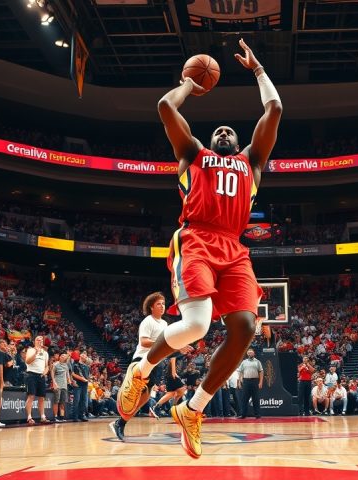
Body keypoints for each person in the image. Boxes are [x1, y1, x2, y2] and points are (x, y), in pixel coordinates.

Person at [115, 38, 282, 459]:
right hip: (196, 240)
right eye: (218, 130)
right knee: (197, 327)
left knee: (245, 328)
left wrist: (259, 71)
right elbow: (164, 107)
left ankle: (193, 410)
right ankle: (142, 370)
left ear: (239, 143)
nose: (223, 132)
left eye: (230, 131)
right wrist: (189, 84)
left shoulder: (251, 164)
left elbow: (275, 109)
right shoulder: (194, 154)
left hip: (234, 249)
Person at [111, 292, 192, 440]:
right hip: (142, 360)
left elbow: (166, 348)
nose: (162, 306)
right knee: (134, 394)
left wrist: (179, 348)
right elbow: (144, 342)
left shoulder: (165, 324)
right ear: (151, 307)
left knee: (143, 400)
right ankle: (128, 385)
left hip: (156, 364)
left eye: (163, 303)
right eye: (158, 304)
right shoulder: (148, 321)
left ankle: (120, 423)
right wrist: (162, 345)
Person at [24, 336, 50, 425]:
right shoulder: (31, 350)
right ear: (34, 341)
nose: (40, 341)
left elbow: (47, 366)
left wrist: (44, 373)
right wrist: (36, 353)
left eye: (41, 340)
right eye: (38, 340)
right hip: (31, 374)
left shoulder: (45, 353)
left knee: (42, 397)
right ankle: (29, 417)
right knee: (31, 396)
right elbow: (28, 361)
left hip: (41, 376)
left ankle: (43, 417)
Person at [237, 348, 264, 419]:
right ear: (247, 354)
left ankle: (257, 414)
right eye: (248, 353)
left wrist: (260, 382)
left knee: (256, 398)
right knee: (244, 399)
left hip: (255, 381)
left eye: (251, 352)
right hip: (246, 381)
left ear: (254, 353)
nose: (249, 354)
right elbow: (240, 371)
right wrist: (239, 381)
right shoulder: (244, 362)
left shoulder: (257, 362)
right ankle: (243, 414)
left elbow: (261, 372)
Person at [51, 352, 71, 422]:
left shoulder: (66, 365)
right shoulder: (55, 364)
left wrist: (69, 380)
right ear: (59, 357)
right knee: (56, 401)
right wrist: (54, 383)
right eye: (61, 355)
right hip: (57, 385)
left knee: (62, 402)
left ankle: (62, 417)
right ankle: (55, 417)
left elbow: (67, 374)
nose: (62, 356)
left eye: (64, 356)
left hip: (64, 386)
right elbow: (52, 374)